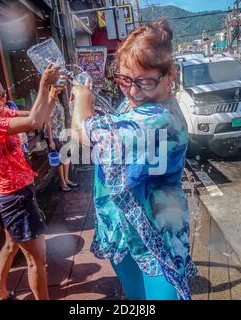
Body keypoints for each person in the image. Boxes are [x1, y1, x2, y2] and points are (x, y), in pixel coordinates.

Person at [70, 19, 197, 300]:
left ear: (170, 74)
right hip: (122, 229)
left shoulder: (159, 118)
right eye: (125, 80)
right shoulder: (137, 102)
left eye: (146, 81)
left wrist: (81, 99)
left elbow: (83, 131)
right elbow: (112, 121)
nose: (134, 91)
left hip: (157, 234)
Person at [0, 67, 67, 300]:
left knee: (11, 245)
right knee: (36, 259)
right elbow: (33, 121)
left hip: (14, 191)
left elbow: (38, 117)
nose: (0, 101)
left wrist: (50, 96)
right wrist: (43, 85)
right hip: (14, 196)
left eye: (2, 94)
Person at [44, 99, 78, 192]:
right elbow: (48, 123)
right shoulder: (49, 102)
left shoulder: (58, 100)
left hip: (61, 133)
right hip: (54, 135)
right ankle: (62, 183)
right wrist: (51, 140)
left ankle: (66, 179)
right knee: (60, 159)